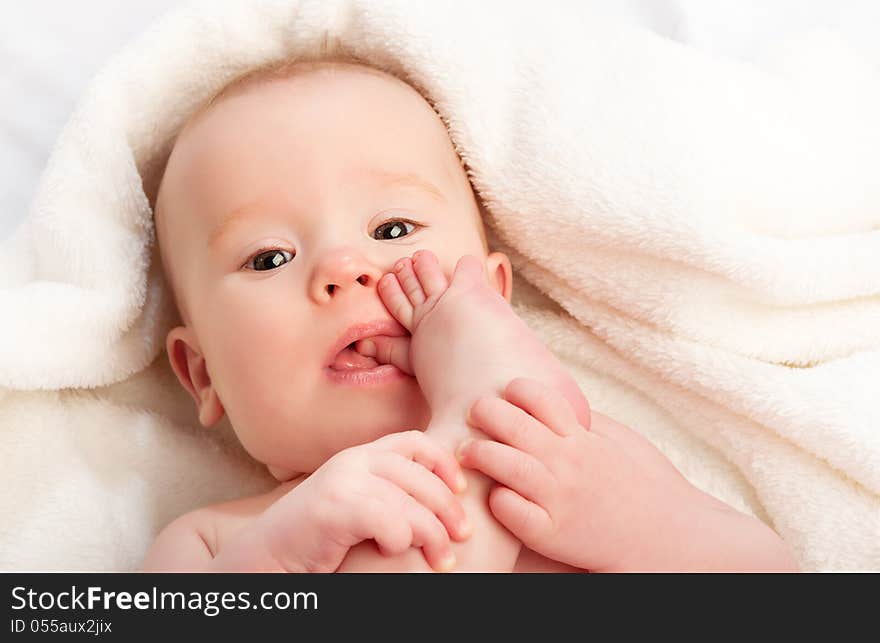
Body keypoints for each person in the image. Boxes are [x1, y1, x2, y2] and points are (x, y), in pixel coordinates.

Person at [142, 54, 798, 572]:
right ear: (202, 374)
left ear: (494, 296)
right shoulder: (214, 544)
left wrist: (651, 529)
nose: (345, 265)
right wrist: (278, 557)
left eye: (394, 228)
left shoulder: (582, 458)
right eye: (268, 258)